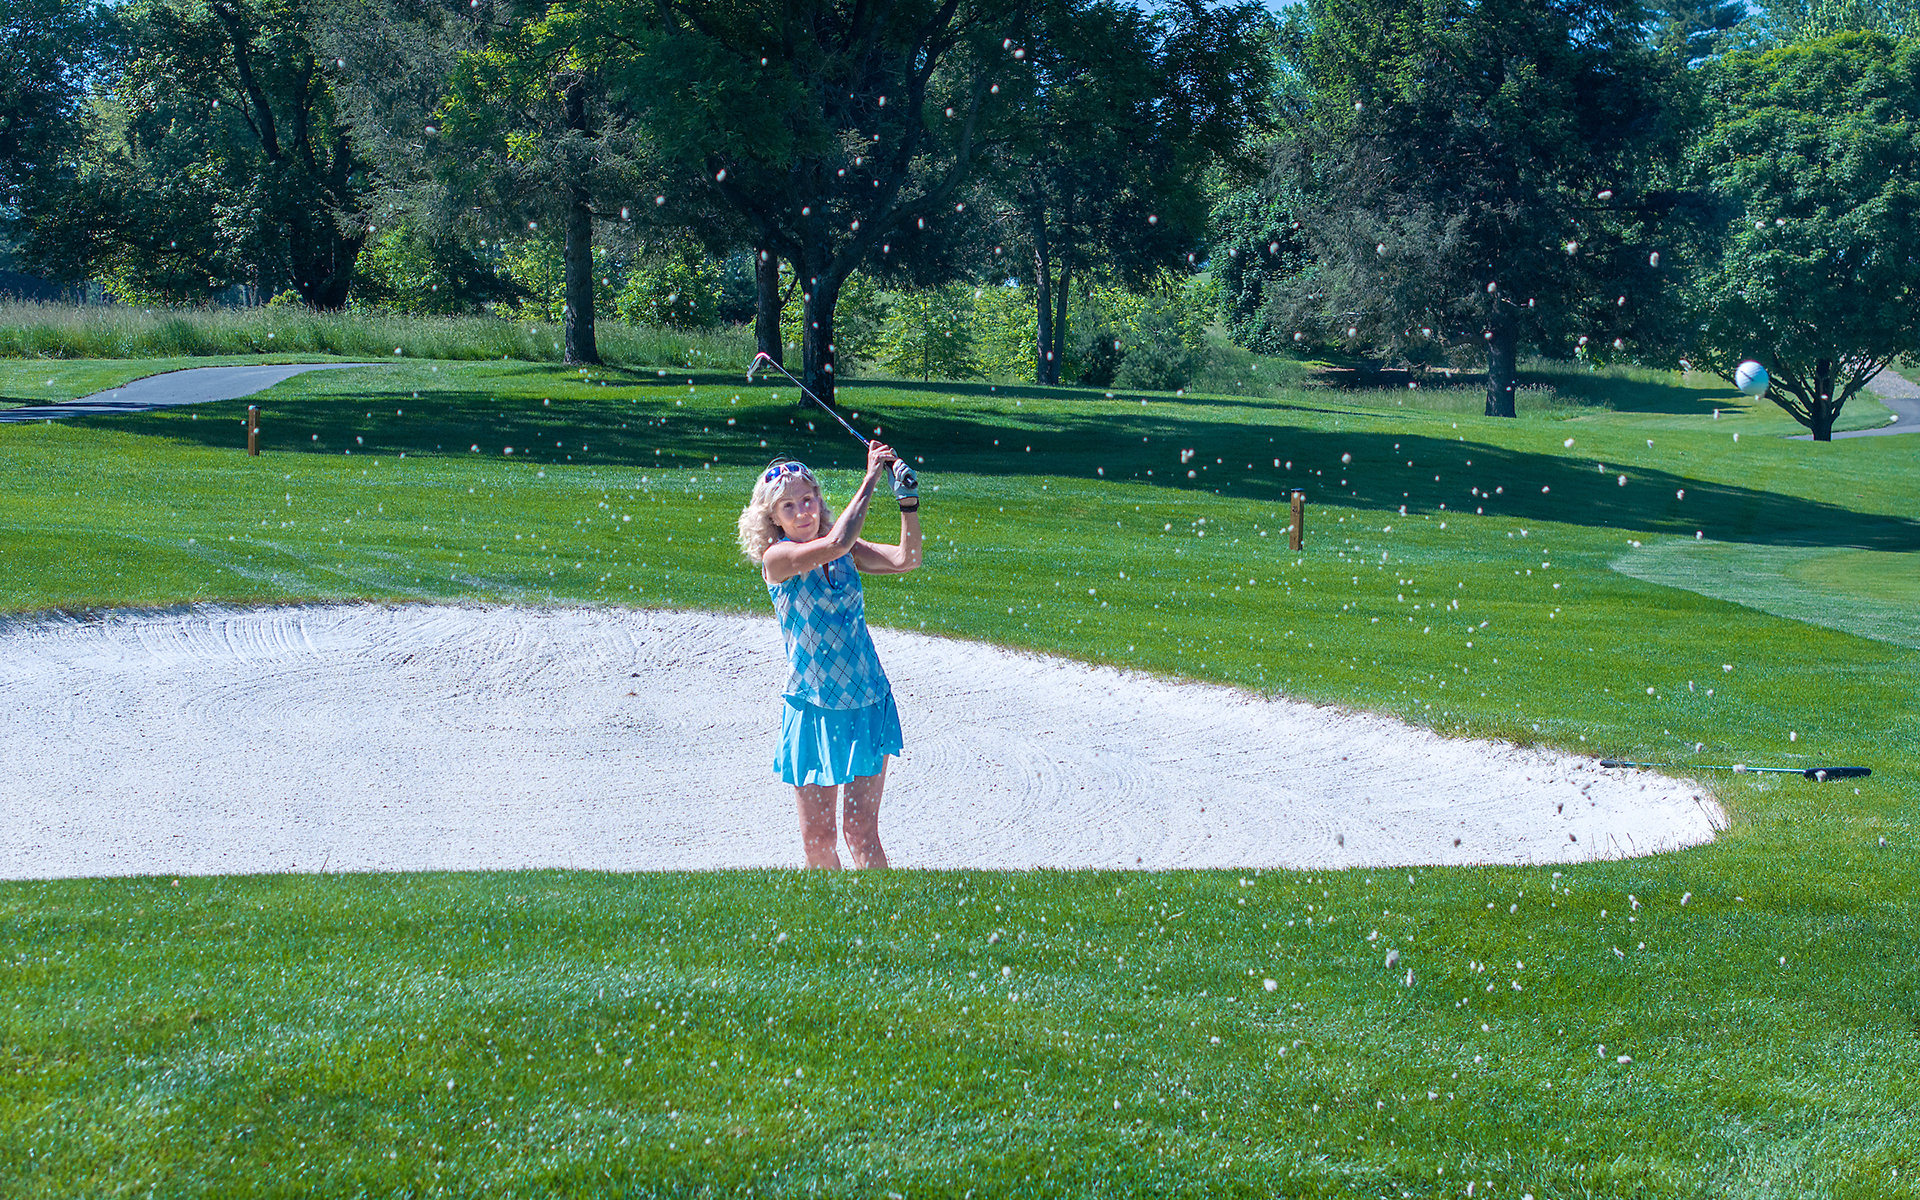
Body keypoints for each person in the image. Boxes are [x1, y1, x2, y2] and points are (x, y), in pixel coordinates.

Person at [736, 442, 922, 868]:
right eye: (788, 506)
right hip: (813, 707)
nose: (803, 511)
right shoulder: (778, 558)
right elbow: (837, 542)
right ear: (773, 517)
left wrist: (907, 502)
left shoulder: (844, 548)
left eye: (808, 499)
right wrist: (871, 478)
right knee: (818, 840)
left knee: (861, 831)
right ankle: (830, 911)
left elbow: (906, 559)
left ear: (819, 500)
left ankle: (882, 908)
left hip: (867, 700)